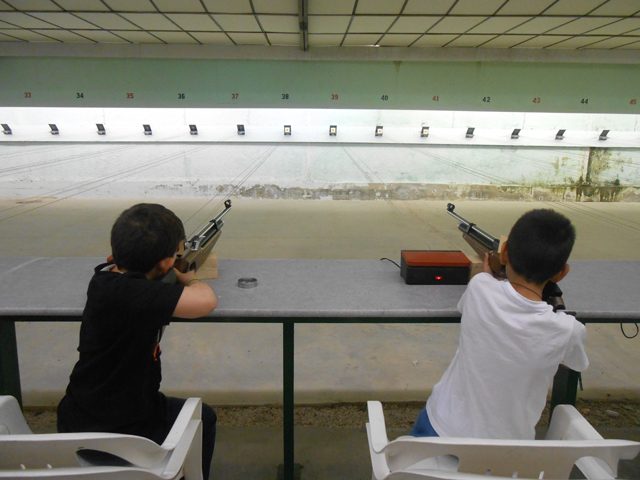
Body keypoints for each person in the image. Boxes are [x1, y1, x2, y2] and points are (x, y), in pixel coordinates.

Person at [57, 203, 218, 478]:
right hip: (129, 430)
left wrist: (169, 268)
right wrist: (189, 278)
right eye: (176, 254)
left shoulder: (103, 281)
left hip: (77, 418)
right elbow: (206, 301)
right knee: (205, 417)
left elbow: (138, 283)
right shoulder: (141, 294)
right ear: (165, 263)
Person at [412, 209, 589, 440]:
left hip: (438, 432)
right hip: (508, 451)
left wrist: (491, 274)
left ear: (504, 252)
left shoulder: (480, 287)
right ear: (562, 273)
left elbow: (481, 295)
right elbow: (574, 362)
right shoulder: (569, 330)